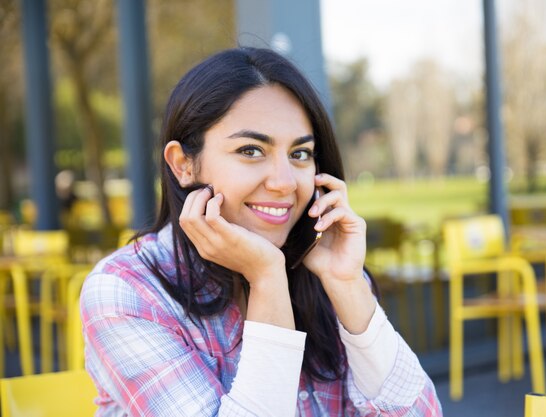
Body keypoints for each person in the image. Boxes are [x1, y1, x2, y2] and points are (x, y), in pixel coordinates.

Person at [80, 47, 442, 417]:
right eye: (251, 150)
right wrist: (268, 279)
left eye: (300, 154)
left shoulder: (326, 275)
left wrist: (347, 285)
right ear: (184, 164)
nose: (285, 183)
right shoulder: (127, 291)